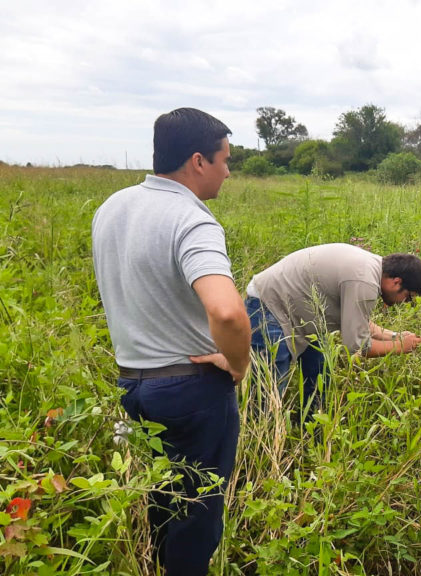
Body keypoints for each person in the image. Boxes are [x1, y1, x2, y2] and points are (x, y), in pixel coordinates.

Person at [92, 108, 251, 576]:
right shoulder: (193, 220)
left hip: (132, 382)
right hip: (190, 388)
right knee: (198, 514)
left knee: (164, 496)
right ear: (198, 161)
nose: (228, 171)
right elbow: (226, 310)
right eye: (225, 159)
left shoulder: (113, 208)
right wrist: (238, 363)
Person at [245, 243, 421, 412]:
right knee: (269, 390)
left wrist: (395, 336)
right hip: (268, 306)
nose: (405, 303)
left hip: (301, 317)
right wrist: (401, 347)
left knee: (319, 376)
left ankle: (312, 432)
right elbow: (357, 346)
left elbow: (357, 321)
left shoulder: (370, 269)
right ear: (396, 282)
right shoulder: (364, 282)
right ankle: (262, 439)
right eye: (408, 297)